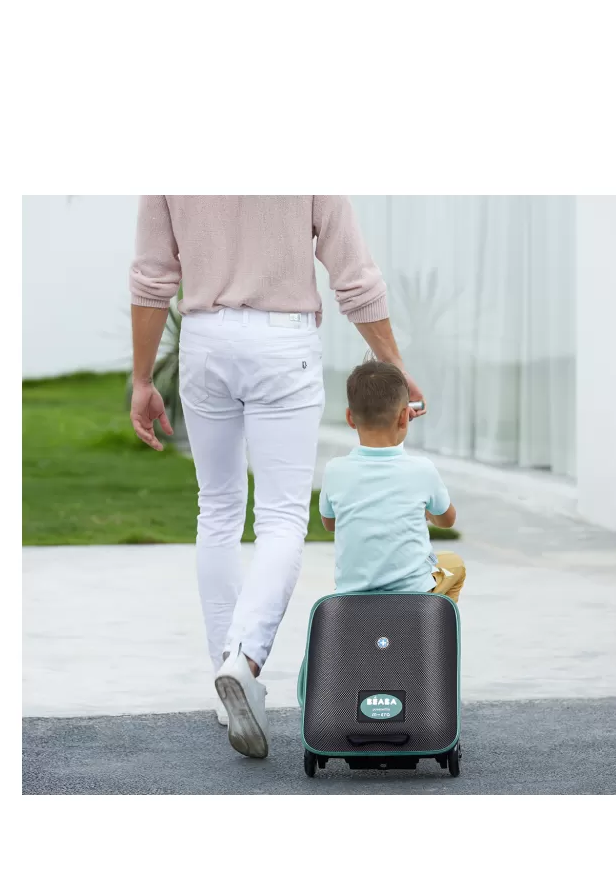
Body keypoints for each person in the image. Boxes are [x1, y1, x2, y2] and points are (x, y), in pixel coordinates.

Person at [128, 196, 426, 759]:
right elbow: (354, 275)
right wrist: (394, 366)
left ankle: (226, 676)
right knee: (282, 518)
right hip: (283, 343)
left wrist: (143, 379)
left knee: (217, 509)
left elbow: (151, 276)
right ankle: (244, 660)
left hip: (205, 340)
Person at [318, 361, 465, 603]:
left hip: (352, 601)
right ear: (405, 416)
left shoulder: (334, 470)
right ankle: (429, 624)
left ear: (350, 417)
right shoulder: (422, 469)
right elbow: (447, 520)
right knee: (454, 564)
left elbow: (330, 523)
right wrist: (425, 512)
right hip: (412, 597)